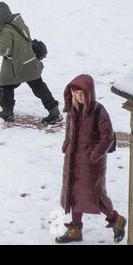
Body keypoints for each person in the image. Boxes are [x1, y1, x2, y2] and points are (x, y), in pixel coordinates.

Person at [56, 74, 126, 243]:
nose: (78, 96)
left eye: (81, 93)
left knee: (94, 195)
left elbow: (107, 136)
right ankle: (76, 229)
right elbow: (69, 130)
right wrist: (67, 143)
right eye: (75, 93)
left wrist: (94, 155)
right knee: (73, 194)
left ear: (89, 92)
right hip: (73, 159)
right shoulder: (72, 111)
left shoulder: (98, 111)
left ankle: (116, 219)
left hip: (91, 164)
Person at [0, 2, 61, 124]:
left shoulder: (6, 30)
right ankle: (54, 112)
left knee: (5, 86)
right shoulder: (18, 22)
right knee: (38, 86)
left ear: (0, 15)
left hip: (16, 66)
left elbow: (6, 50)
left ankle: (7, 113)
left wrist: (0, 50)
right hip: (30, 62)